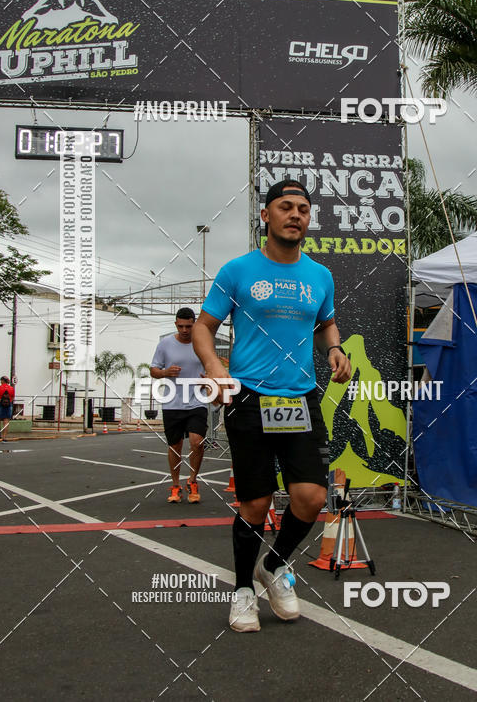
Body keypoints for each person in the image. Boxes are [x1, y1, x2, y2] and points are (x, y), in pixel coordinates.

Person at [193, 179, 351, 632]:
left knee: (311, 496)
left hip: (300, 398)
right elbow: (204, 326)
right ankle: (244, 590)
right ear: (266, 216)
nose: (296, 214)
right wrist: (213, 365)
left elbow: (326, 324)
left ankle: (274, 565)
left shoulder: (320, 276)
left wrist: (335, 351)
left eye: (303, 208)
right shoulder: (238, 270)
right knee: (256, 503)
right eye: (286, 207)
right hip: (248, 398)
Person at [150, 308, 208, 503]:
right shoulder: (165, 344)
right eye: (181, 326)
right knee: (175, 446)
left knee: (197, 441)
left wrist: (208, 378)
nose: (185, 330)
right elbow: (153, 370)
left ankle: (192, 481)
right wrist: (165, 372)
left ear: (195, 324)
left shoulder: (203, 343)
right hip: (172, 402)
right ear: (176, 324)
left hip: (197, 401)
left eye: (189, 326)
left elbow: (213, 367)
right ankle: (175, 485)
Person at [0, 376, 15, 442]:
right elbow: (12, 398)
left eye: (1, 380)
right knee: (6, 421)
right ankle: (4, 437)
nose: (0, 381)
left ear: (3, 381)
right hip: (8, 405)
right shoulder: (11, 388)